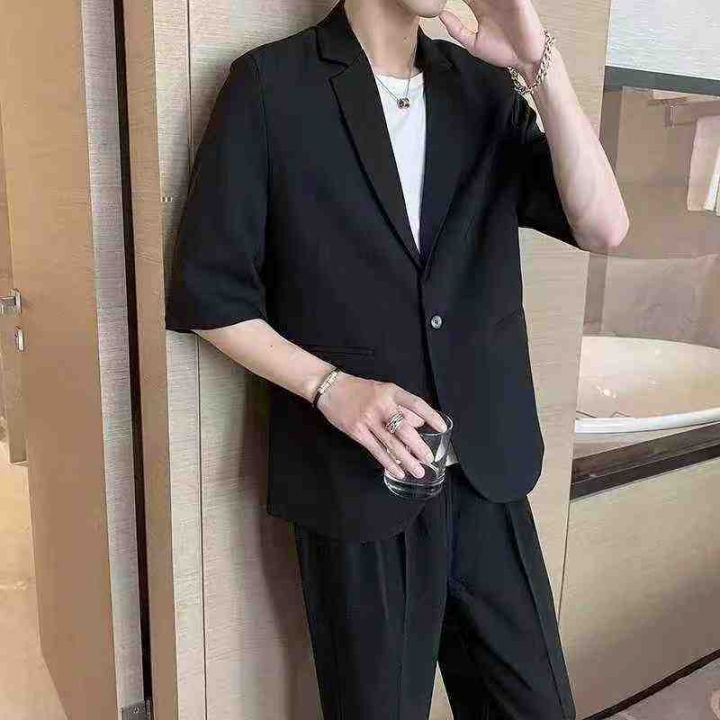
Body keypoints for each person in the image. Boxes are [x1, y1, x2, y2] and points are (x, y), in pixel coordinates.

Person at [165, 0, 629, 717]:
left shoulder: (481, 89)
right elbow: (209, 294)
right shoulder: (271, 86)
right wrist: (330, 387)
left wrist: (539, 63)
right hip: (356, 483)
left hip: (486, 473)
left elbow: (603, 226)